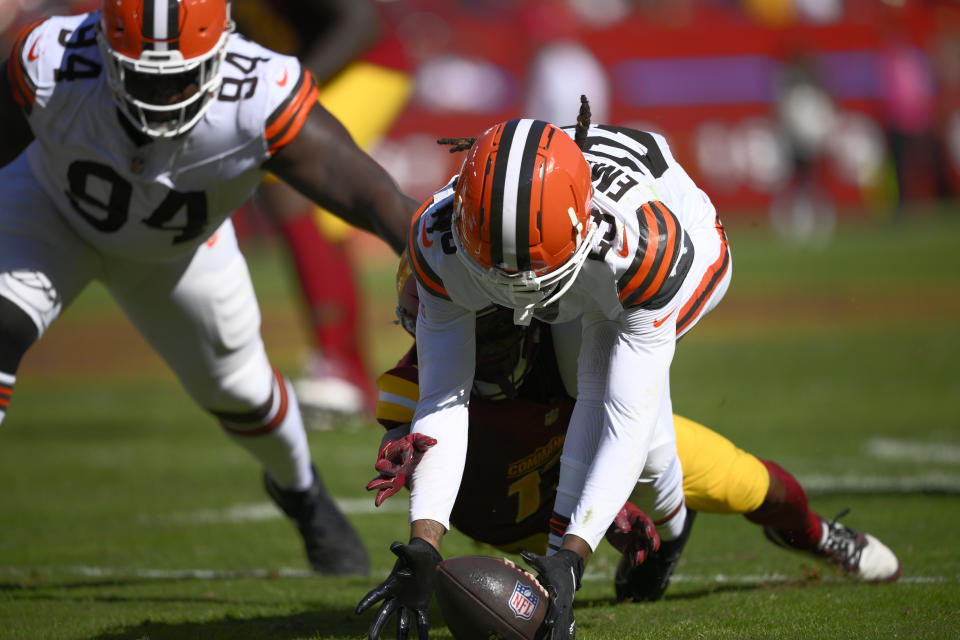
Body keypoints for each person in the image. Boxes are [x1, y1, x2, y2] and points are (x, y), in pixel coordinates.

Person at [0, 0, 416, 575]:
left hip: (179, 250)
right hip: (50, 212)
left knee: (243, 393)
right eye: (144, 76)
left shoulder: (260, 91)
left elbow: (369, 196)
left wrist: (428, 256)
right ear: (104, 49)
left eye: (179, 79)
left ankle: (302, 494)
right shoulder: (49, 58)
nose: (161, 97)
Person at [356, 99, 732, 639]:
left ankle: (672, 527)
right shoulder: (440, 237)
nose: (511, 293)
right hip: (565, 250)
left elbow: (616, 416)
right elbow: (443, 397)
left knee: (630, 423)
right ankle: (618, 536)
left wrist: (568, 561)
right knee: (581, 376)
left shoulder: (643, 252)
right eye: (497, 272)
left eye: (524, 275)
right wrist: (423, 543)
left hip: (679, 242)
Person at [363, 259, 901, 607]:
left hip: (600, 459)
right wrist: (398, 451)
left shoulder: (564, 338)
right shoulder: (417, 384)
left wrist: (610, 499)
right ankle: (654, 541)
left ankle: (815, 533)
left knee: (756, 487)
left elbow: (617, 416)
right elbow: (403, 430)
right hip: (514, 525)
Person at [232, 0, 414, 422]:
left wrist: (294, 85)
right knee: (308, 203)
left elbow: (361, 23)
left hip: (368, 65)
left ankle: (339, 362)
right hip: (306, 74)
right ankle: (344, 369)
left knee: (287, 174)